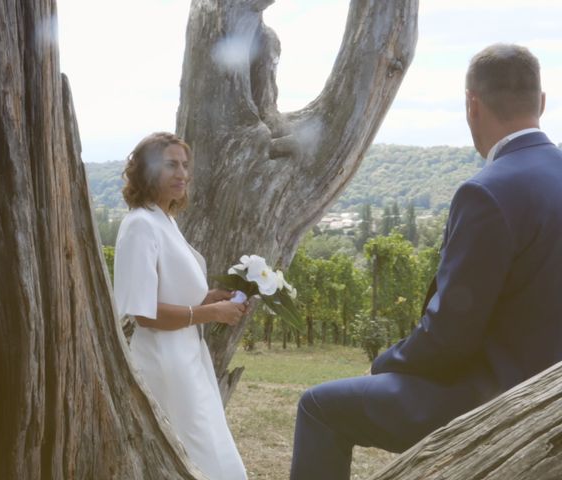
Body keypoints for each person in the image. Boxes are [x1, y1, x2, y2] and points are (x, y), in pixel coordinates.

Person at [290, 43, 562, 479]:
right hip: (551, 394)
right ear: (543, 103)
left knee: (319, 407)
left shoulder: (486, 192)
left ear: (471, 104)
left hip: (494, 397)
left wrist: (386, 364)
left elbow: (451, 335)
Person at [113, 132, 248, 480]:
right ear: (145, 171)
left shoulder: (165, 220)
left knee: (214, 455)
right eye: (171, 164)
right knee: (206, 462)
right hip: (165, 364)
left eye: (185, 165)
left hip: (188, 358)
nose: (182, 173)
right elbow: (143, 313)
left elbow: (171, 294)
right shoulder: (140, 225)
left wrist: (208, 299)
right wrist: (210, 313)